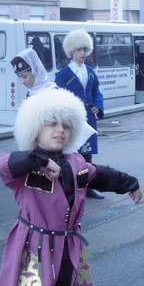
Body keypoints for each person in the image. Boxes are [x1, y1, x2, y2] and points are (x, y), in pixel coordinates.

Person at [0, 88, 142, 286]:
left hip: (67, 249)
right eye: (51, 123)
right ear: (35, 128)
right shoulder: (24, 167)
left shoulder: (76, 162)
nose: (60, 129)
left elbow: (100, 175)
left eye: (66, 125)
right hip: (33, 249)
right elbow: (4, 164)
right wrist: (40, 160)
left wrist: (130, 183)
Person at [55, 29, 105, 199]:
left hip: (88, 118)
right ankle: (70, 188)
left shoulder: (90, 71)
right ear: (71, 51)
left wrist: (98, 106)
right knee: (71, 153)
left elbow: (97, 91)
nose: (82, 53)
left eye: (85, 49)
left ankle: (87, 187)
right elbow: (59, 96)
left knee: (87, 154)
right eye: (79, 49)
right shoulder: (62, 74)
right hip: (72, 119)